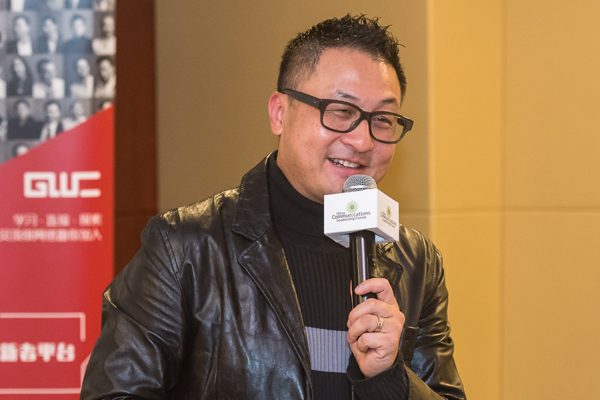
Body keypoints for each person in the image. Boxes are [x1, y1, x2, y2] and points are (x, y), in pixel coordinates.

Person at [81, 15, 466, 400]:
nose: (363, 141)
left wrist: (390, 379)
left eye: (382, 119)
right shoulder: (185, 248)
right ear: (279, 113)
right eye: (340, 111)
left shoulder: (416, 263)